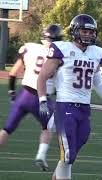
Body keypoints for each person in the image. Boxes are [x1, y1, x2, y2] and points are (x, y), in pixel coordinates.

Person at [37, 14, 102, 180]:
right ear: (74, 31)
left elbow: (96, 78)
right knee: (67, 154)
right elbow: (42, 76)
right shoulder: (62, 49)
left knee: (69, 157)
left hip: (84, 110)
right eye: (84, 31)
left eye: (90, 32)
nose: (87, 35)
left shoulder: (96, 52)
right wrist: (43, 100)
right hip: (65, 107)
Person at [0, 24, 62, 171]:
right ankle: (41, 155)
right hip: (41, 98)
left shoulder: (30, 48)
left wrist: (11, 92)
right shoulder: (59, 54)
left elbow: (13, 73)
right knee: (47, 128)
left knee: (6, 129)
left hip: (24, 94)